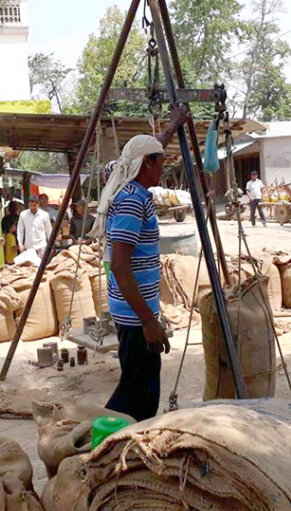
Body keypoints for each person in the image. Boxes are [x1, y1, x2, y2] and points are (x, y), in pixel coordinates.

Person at [91, 105, 190, 422]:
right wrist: (149, 321)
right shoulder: (132, 200)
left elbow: (146, 148)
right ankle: (97, 438)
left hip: (131, 309)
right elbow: (120, 267)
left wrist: (173, 125)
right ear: (147, 162)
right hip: (135, 315)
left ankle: (105, 434)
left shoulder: (124, 178)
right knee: (139, 398)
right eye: (161, 161)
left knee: (138, 387)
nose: (164, 167)